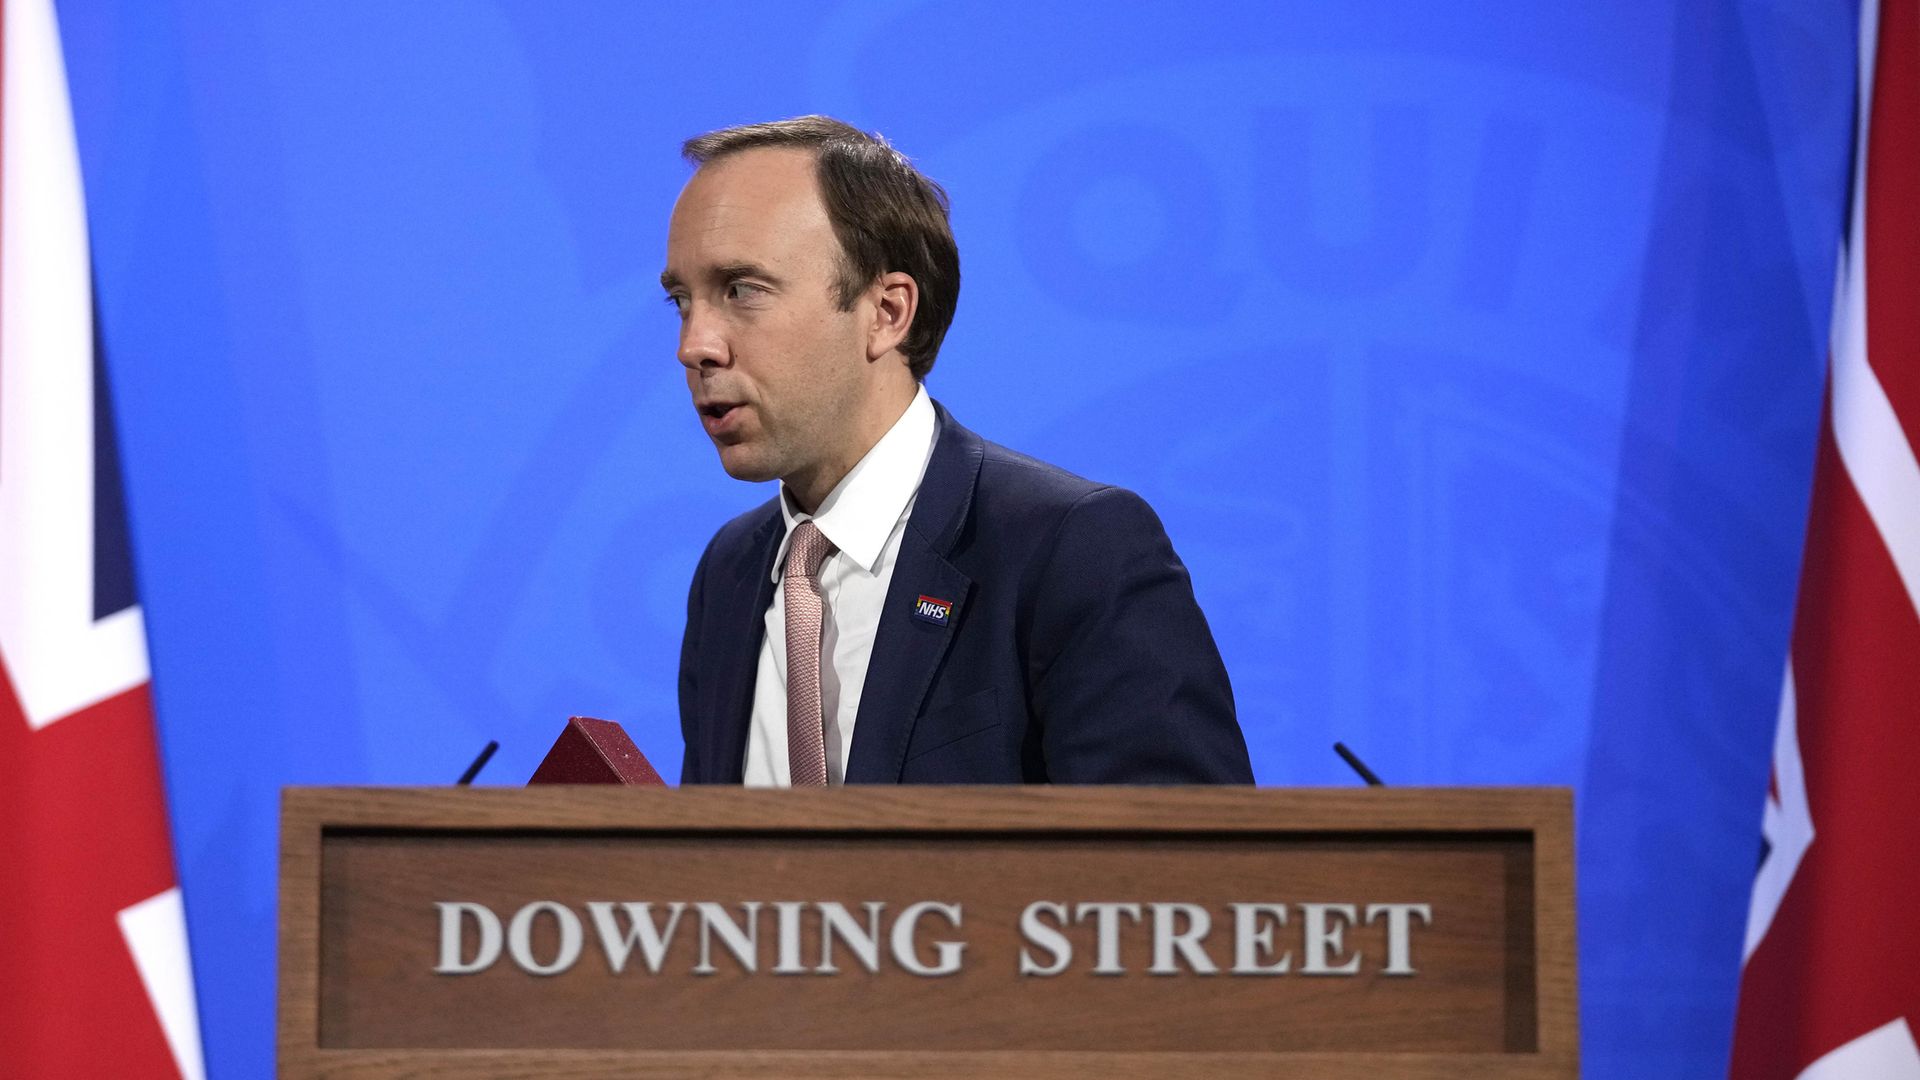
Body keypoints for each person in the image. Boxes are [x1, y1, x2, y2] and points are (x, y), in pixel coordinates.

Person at [666, 116, 1251, 786]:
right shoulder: (731, 573)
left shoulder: (1073, 549)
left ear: (887, 312)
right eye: (682, 300)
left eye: (741, 290)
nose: (695, 344)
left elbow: (1178, 873)